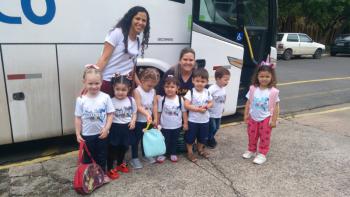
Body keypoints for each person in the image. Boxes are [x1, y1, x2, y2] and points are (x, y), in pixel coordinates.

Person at [97, 6, 150, 97]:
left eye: (144, 20)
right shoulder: (117, 33)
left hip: (125, 85)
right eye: (137, 18)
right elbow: (103, 59)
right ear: (130, 19)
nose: (140, 22)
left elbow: (131, 67)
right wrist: (90, 82)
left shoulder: (137, 40)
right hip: (108, 83)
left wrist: (140, 87)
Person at [74, 64, 115, 183]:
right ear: (84, 82)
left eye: (97, 83)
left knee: (102, 155)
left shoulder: (105, 97)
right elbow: (77, 117)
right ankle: (90, 176)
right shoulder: (81, 100)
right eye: (90, 83)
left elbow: (110, 114)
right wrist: (78, 134)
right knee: (88, 157)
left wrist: (106, 128)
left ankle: (102, 173)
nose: (94, 86)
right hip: (87, 135)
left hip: (102, 134)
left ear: (101, 82)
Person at [242, 61, 280, 165]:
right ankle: (251, 150)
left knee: (264, 136)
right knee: (252, 135)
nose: (264, 79)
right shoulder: (253, 89)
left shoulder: (273, 91)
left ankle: (262, 153)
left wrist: (274, 120)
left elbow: (276, 107)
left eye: (267, 76)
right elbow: (248, 102)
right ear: (257, 76)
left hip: (266, 118)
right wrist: (246, 115)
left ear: (272, 77)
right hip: (253, 117)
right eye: (261, 76)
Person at [106, 74, 137, 179]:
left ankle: (119, 164)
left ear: (128, 89)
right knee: (113, 148)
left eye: (123, 90)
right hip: (114, 128)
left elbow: (134, 113)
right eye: (117, 89)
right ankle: (110, 168)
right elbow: (107, 115)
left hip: (126, 128)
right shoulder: (110, 100)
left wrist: (133, 121)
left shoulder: (131, 100)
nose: (120, 92)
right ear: (113, 88)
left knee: (124, 147)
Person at [131, 68, 160, 169]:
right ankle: (134, 158)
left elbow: (155, 105)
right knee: (136, 139)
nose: (150, 88)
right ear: (142, 81)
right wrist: (147, 114)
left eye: (153, 85)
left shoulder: (153, 91)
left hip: (149, 121)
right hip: (139, 120)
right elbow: (138, 106)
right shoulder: (137, 91)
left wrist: (155, 118)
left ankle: (146, 154)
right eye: (149, 85)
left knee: (147, 139)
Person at [156, 76, 188, 163]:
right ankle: (162, 153)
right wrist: (157, 123)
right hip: (164, 126)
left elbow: (184, 112)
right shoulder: (162, 100)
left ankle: (173, 153)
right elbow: (159, 112)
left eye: (172, 87)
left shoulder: (180, 99)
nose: (169, 89)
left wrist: (185, 123)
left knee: (174, 140)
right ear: (164, 88)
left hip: (177, 126)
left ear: (177, 88)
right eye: (167, 87)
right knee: (164, 140)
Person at [184, 68, 213, 162]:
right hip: (193, 121)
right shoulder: (191, 92)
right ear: (193, 80)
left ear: (207, 82)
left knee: (202, 137)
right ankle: (190, 152)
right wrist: (198, 109)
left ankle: (200, 149)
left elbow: (211, 102)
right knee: (190, 137)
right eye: (197, 81)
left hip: (205, 120)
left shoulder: (207, 92)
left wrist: (207, 106)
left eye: (203, 81)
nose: (200, 83)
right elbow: (186, 105)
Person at [207, 67, 231, 148]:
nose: (227, 82)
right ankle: (209, 139)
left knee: (217, 127)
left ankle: (210, 137)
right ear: (218, 78)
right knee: (212, 127)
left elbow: (224, 97)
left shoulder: (223, 88)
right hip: (211, 113)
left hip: (219, 112)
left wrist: (223, 107)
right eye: (225, 79)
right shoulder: (212, 89)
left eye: (228, 80)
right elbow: (206, 98)